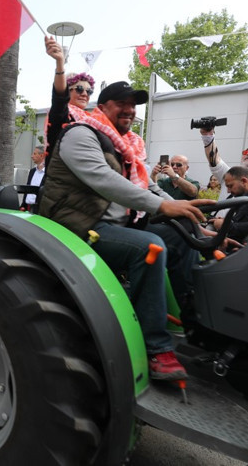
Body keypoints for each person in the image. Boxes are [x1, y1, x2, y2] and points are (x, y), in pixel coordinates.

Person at [39, 80, 211, 381]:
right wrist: (161, 206)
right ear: (102, 107)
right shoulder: (80, 134)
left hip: (118, 223)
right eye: (122, 103)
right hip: (78, 225)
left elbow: (150, 187)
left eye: (133, 105)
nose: (129, 110)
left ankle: (198, 327)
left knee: (183, 233)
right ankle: (156, 347)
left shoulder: (128, 146)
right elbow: (104, 180)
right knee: (148, 247)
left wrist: (192, 218)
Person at [43, 36, 96, 163]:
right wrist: (60, 63)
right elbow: (60, 98)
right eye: (79, 89)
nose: (85, 94)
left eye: (89, 91)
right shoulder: (60, 114)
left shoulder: (94, 121)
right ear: (68, 90)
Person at [21, 145, 46, 210]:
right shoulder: (32, 171)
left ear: (41, 156)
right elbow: (27, 189)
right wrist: (23, 205)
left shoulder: (48, 173)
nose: (32, 156)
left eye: (35, 154)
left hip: (39, 209)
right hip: (27, 208)